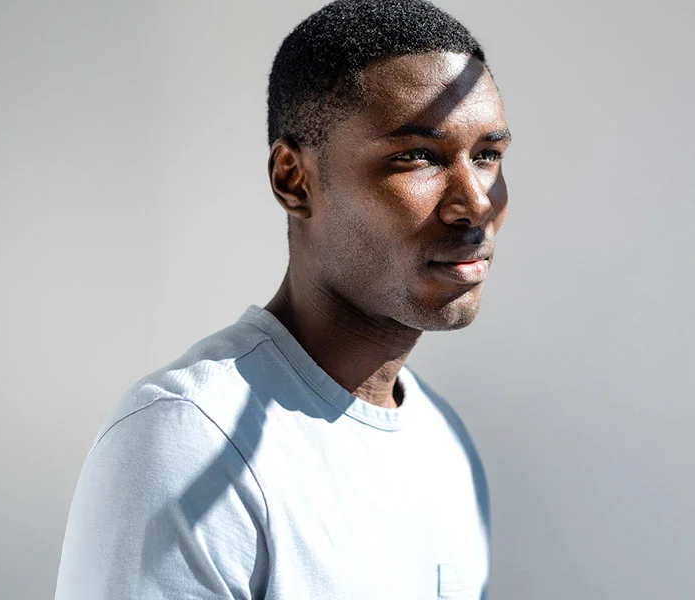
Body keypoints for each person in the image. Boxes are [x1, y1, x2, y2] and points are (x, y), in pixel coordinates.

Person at [55, 0, 510, 598]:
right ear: (293, 180)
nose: (475, 203)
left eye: (488, 156)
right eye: (416, 156)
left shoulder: (443, 443)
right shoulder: (190, 440)